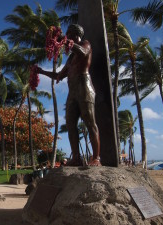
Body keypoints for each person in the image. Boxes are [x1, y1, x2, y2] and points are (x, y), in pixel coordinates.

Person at [37, 24, 101, 166]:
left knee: (90, 122)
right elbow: (58, 75)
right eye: (66, 34)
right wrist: (41, 71)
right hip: (72, 91)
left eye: (68, 34)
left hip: (85, 87)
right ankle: (76, 157)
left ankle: (96, 158)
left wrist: (65, 41)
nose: (66, 36)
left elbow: (83, 53)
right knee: (71, 124)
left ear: (75, 34)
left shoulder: (85, 44)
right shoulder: (70, 58)